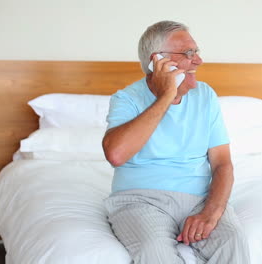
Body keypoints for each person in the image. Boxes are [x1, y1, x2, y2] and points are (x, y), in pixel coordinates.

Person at [102, 20, 250, 263]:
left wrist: (211, 214)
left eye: (197, 51)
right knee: (155, 251)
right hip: (140, 200)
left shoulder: (205, 95)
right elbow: (116, 155)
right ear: (157, 61)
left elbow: (223, 164)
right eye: (189, 53)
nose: (198, 60)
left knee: (232, 240)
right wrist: (166, 95)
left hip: (199, 199)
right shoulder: (126, 99)